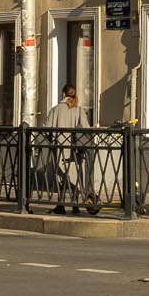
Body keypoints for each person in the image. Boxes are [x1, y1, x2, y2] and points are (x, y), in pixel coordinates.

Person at [44, 84, 91, 215]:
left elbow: (47, 128)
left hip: (59, 147)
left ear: (63, 94)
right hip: (74, 149)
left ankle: (61, 205)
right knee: (74, 175)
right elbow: (86, 128)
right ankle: (75, 205)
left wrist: (51, 138)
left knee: (60, 176)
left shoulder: (55, 109)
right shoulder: (79, 109)